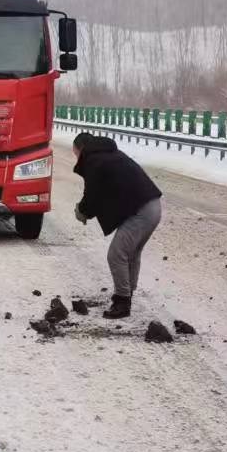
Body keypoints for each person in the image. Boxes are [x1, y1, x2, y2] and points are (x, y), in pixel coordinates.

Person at [71, 132, 164, 318]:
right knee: (131, 253)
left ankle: (122, 302)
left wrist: (82, 211)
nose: (76, 158)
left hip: (141, 211)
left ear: (81, 149)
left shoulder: (94, 160)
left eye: (75, 154)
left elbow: (93, 195)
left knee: (116, 254)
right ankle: (127, 293)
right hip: (153, 206)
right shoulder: (109, 155)